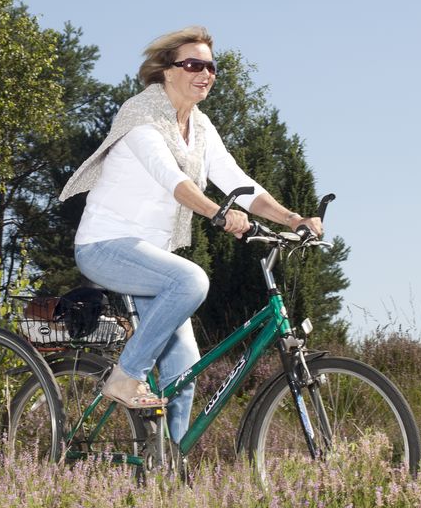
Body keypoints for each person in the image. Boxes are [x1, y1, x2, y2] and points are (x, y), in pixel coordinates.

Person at [59, 26, 322, 443]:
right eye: (194, 65)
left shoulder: (199, 126)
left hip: (150, 256)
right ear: (166, 72)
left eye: (211, 67)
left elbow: (236, 178)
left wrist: (292, 218)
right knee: (191, 279)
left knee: (184, 370)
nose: (206, 73)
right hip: (105, 246)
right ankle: (125, 377)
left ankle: (167, 470)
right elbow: (173, 179)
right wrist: (220, 212)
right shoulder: (141, 115)